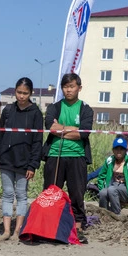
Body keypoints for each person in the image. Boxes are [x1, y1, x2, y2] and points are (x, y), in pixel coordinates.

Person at [42, 73, 94, 244]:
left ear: (79, 88)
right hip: (55, 156)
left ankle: (77, 229)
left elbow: (83, 133)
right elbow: (51, 127)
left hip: (77, 157)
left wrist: (62, 129)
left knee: (77, 194)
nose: (69, 90)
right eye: (66, 86)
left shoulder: (86, 109)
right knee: (51, 192)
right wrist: (72, 129)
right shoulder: (54, 107)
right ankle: (49, 228)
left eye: (72, 86)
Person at [0, 77, 43, 240]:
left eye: (25, 93)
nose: (21, 96)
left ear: (31, 93)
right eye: (19, 92)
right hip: (6, 160)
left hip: (25, 162)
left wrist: (33, 165)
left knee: (21, 195)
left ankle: (17, 231)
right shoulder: (8, 110)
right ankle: (6, 231)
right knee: (7, 194)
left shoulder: (36, 113)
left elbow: (37, 141)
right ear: (15, 91)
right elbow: (1, 135)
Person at [96, 137, 128, 215]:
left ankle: (116, 213)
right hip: (113, 185)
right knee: (103, 192)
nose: (119, 151)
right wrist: (102, 187)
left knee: (111, 189)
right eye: (116, 149)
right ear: (113, 150)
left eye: (122, 149)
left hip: (127, 188)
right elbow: (101, 176)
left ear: (125, 150)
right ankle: (104, 213)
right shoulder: (109, 161)